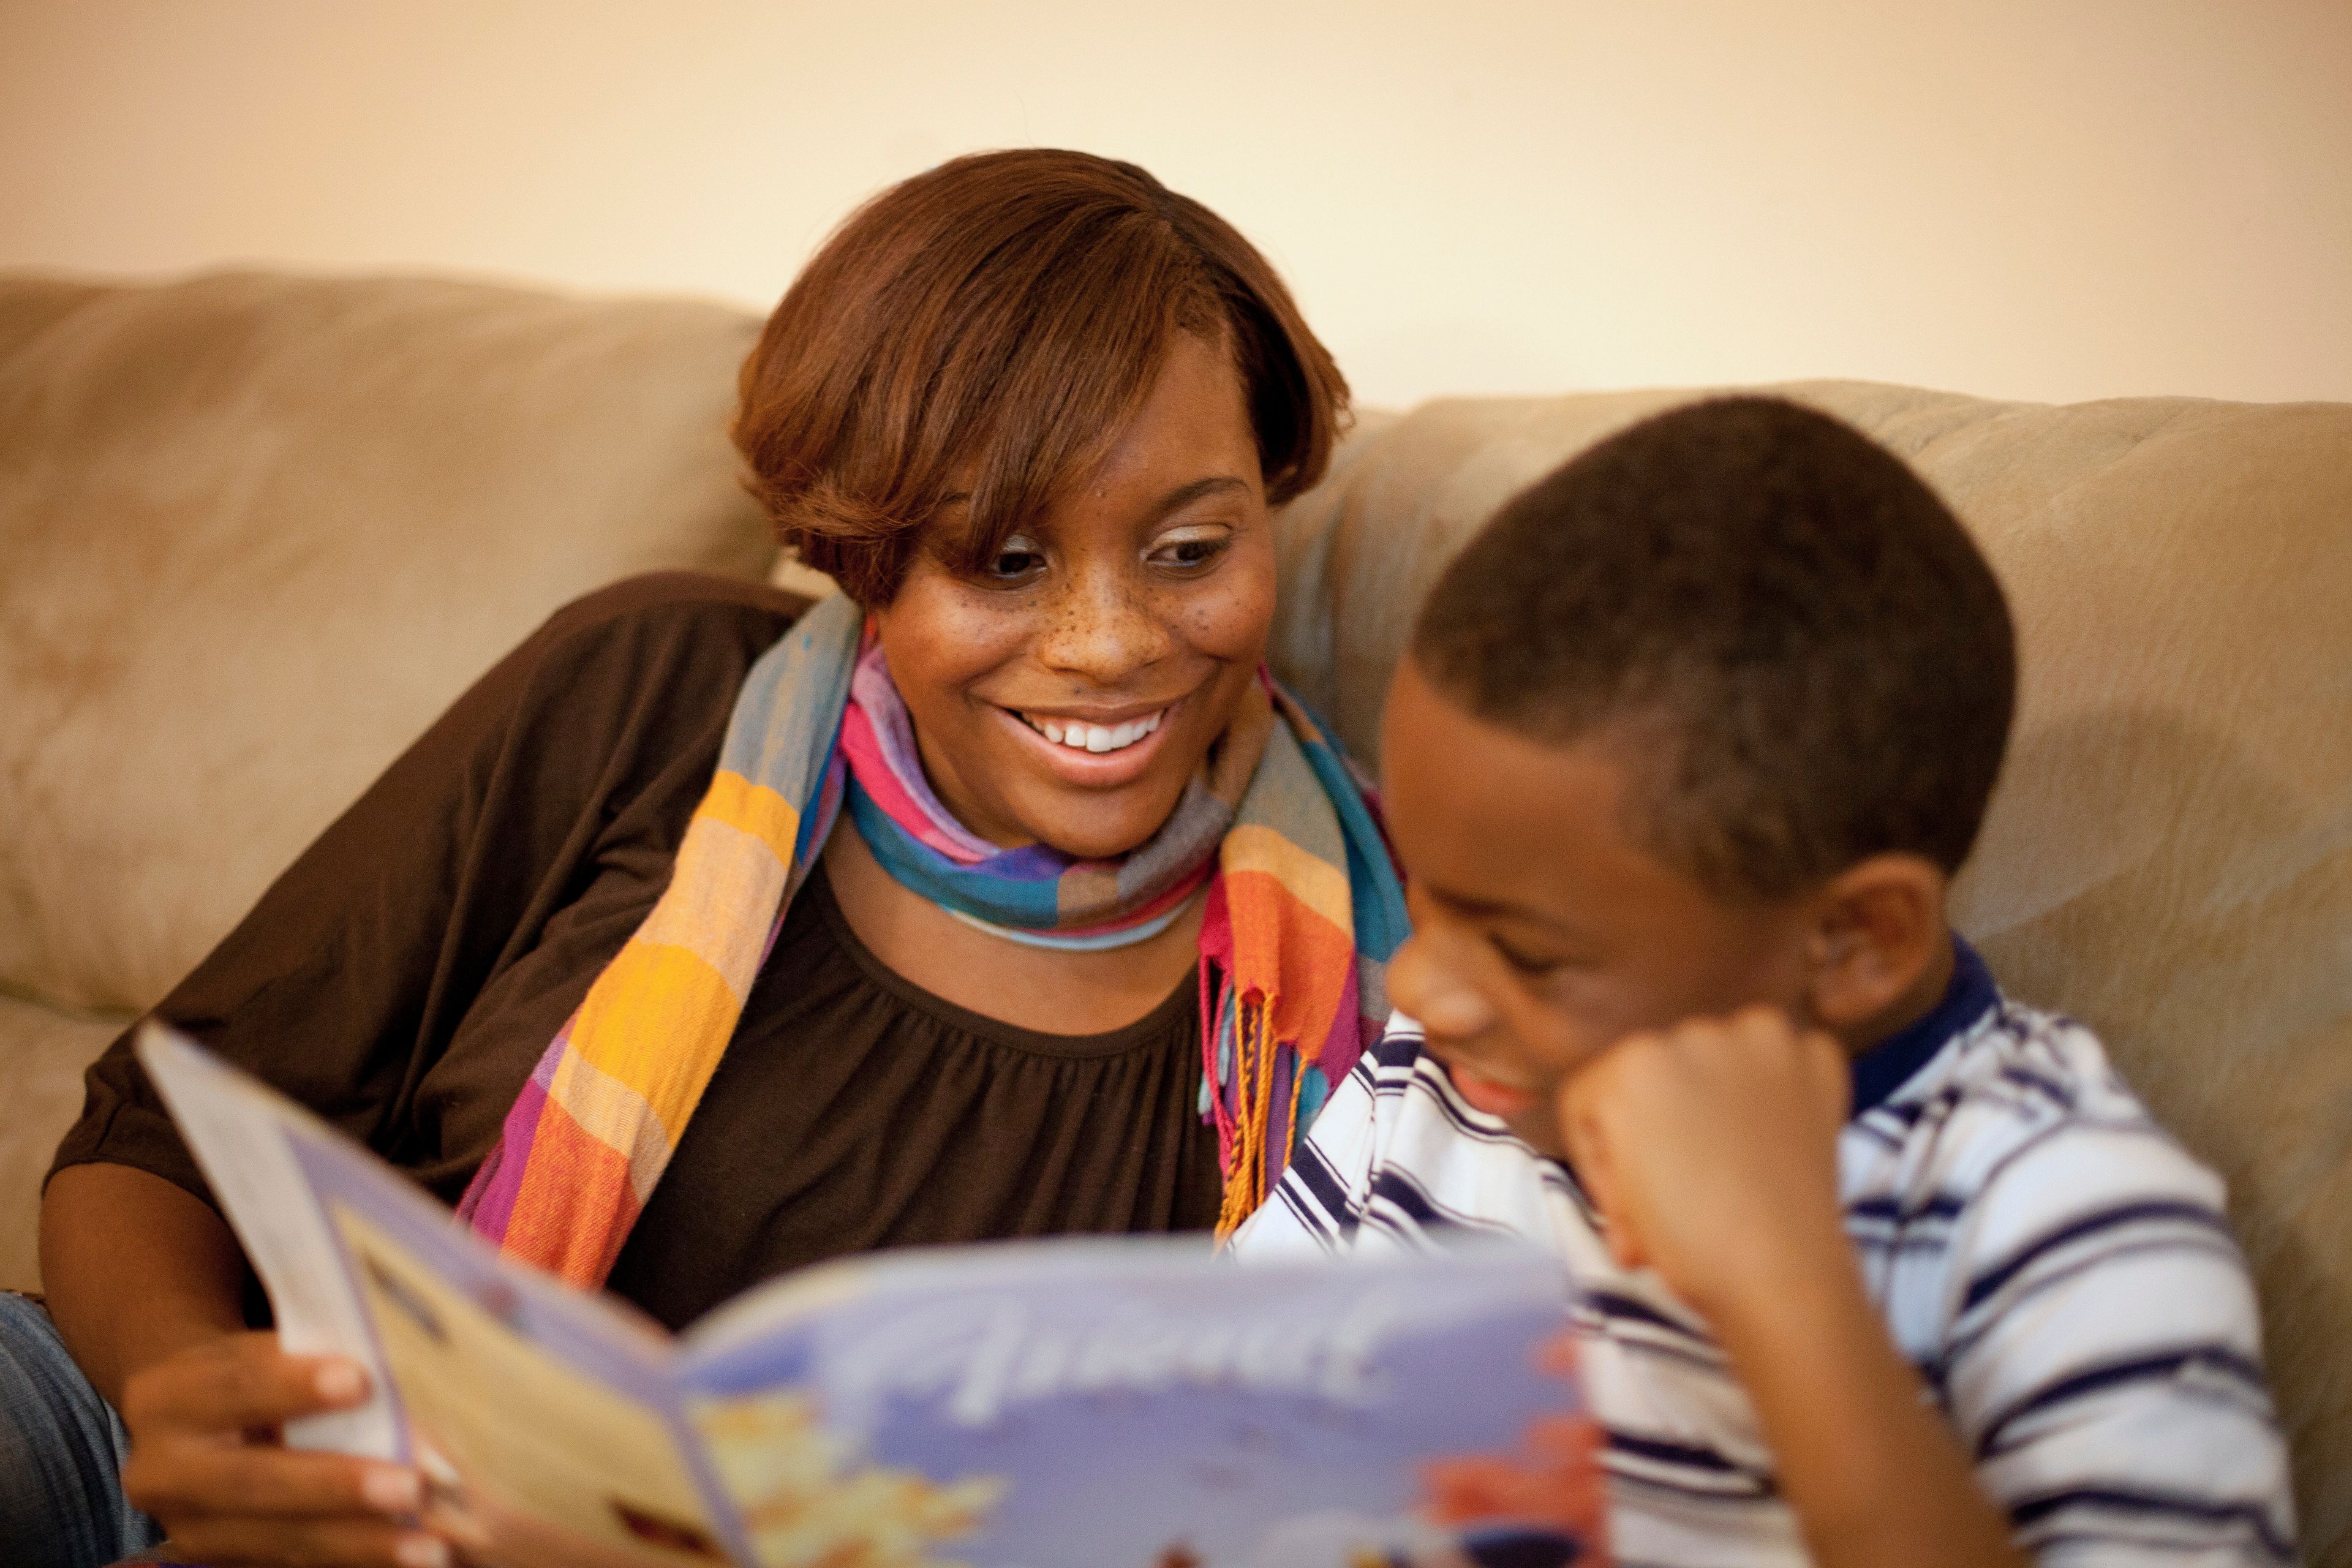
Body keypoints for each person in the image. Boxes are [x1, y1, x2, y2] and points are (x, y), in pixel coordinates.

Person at [10, 149, 1406, 1568]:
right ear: (866, 557)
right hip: (247, 1463)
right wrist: (193, 1403)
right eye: (1002, 559)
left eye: (1187, 549)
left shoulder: (1378, 961)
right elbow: (154, 1136)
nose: (1108, 643)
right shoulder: (652, 694)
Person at [1234, 398, 2297, 1566]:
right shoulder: (1429, 1091)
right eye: (1425, 899)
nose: (1426, 988)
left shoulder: (2062, 1223)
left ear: (1855, 943)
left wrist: (1782, 1284)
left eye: (1529, 954)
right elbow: (1225, 1417)